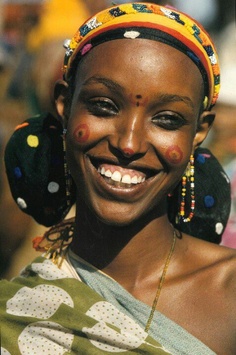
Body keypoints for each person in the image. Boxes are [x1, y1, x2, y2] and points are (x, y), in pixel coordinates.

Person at [1, 3, 235, 354]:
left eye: (167, 119)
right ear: (64, 105)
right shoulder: (16, 313)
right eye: (104, 106)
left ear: (199, 132)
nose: (129, 143)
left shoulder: (229, 293)